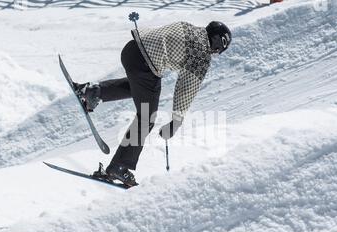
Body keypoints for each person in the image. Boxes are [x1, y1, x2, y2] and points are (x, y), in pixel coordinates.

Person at [73, 21, 232, 186]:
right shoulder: (201, 53)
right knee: (147, 117)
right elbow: (186, 88)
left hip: (132, 50)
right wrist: (176, 121)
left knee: (139, 86)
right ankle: (119, 167)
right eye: (217, 51)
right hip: (146, 64)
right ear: (217, 43)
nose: (213, 54)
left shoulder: (189, 27)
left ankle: (92, 92)